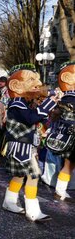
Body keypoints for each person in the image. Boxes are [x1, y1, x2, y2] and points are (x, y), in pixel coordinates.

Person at [2, 63, 61, 222]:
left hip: (25, 146)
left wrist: (47, 103)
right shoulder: (17, 103)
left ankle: (9, 202)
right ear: (16, 85)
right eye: (32, 80)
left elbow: (36, 117)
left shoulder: (23, 103)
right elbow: (31, 118)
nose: (39, 84)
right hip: (21, 146)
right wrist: (49, 103)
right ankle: (33, 211)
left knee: (20, 176)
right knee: (33, 176)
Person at [46, 61, 75, 202]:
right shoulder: (71, 97)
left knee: (69, 164)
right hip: (72, 136)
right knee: (69, 164)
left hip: (69, 136)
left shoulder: (66, 97)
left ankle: (60, 190)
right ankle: (60, 190)